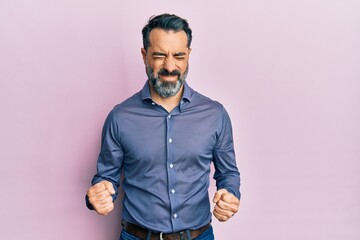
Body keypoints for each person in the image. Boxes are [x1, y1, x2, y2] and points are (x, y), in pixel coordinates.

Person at [86, 13, 241, 240]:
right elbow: (105, 178)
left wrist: (230, 193)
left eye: (178, 56)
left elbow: (228, 174)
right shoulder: (119, 117)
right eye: (159, 55)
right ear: (144, 55)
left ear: (188, 54)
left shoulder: (215, 115)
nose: (170, 66)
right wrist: (96, 195)